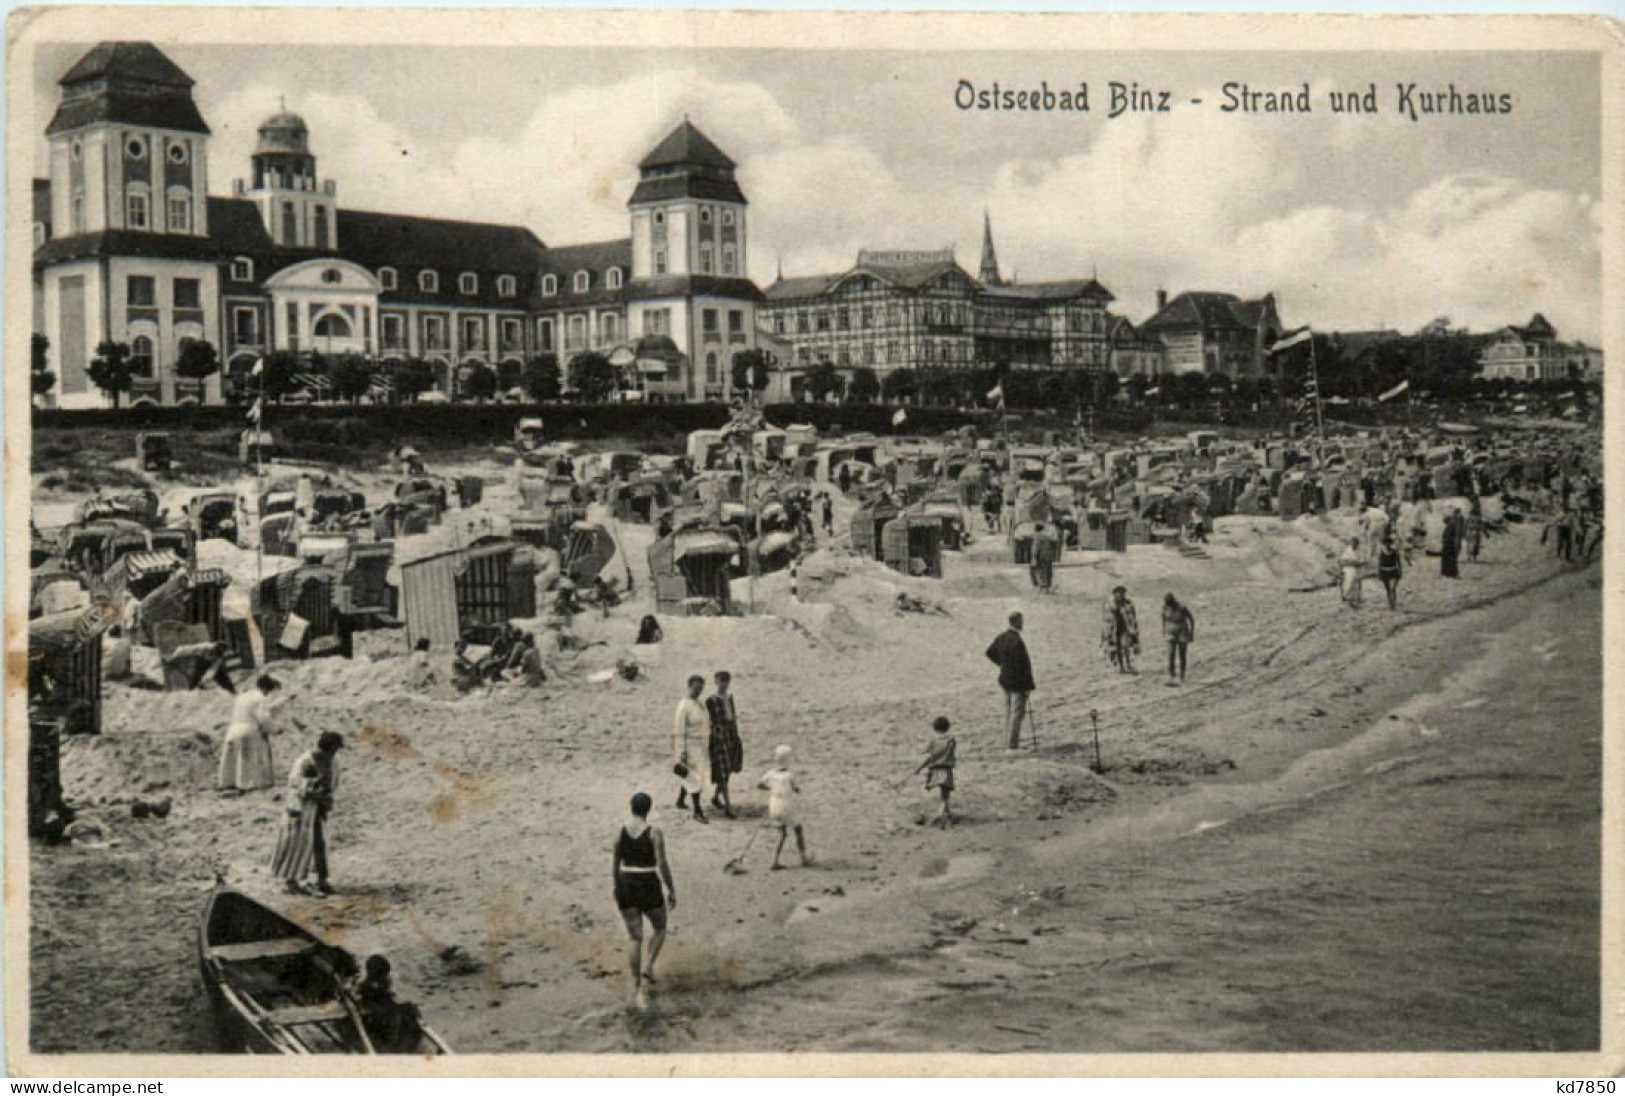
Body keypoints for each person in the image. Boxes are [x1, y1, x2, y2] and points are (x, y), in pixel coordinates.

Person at [612, 792, 676, 1010]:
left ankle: (635, 984)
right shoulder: (654, 833)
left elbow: (614, 863)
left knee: (634, 937)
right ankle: (648, 967)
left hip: (625, 882)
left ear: (631, 807)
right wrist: (671, 888)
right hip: (647, 882)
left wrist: (617, 887)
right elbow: (662, 863)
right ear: (648, 809)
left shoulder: (620, 831)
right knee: (659, 927)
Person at [270, 731, 344, 896]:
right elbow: (293, 782)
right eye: (334, 748)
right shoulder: (305, 760)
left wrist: (325, 798)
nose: (335, 752)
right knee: (297, 844)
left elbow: (334, 782)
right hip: (302, 809)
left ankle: (321, 880)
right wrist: (311, 787)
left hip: (319, 809)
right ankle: (292, 881)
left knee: (319, 844)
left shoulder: (334, 761)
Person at [218, 674, 279, 794]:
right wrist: (274, 730)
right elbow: (263, 718)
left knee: (233, 759)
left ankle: (228, 783)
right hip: (248, 730)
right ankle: (247, 784)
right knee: (250, 758)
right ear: (266, 688)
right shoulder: (261, 698)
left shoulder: (242, 696)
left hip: (233, 729)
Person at [985, 612, 1035, 750]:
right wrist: (1028, 686)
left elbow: (990, 652)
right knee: (1016, 714)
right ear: (1016, 622)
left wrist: (1003, 664)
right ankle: (1012, 745)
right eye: (1021, 621)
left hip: (1005, 679)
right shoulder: (1017, 641)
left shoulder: (1001, 637)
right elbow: (1023, 666)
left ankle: (1007, 743)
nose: (1022, 623)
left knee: (1008, 712)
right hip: (1017, 682)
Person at [353, 955, 423, 1053]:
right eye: (384, 974)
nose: (386, 977)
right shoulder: (373, 987)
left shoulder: (369, 984)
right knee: (407, 1012)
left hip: (378, 1012)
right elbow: (386, 1003)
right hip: (379, 1017)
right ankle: (399, 1044)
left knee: (407, 1010)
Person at [758, 745, 809, 870]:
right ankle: (803, 858)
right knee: (798, 829)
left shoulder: (770, 774)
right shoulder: (789, 775)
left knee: (782, 834)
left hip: (774, 805)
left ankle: (775, 860)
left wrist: (772, 789)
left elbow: (760, 785)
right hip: (786, 806)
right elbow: (796, 788)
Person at [705, 671, 744, 820]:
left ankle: (715, 797)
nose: (724, 684)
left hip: (731, 736)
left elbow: (732, 718)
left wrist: (736, 735)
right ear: (716, 682)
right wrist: (716, 734)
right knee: (723, 771)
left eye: (726, 681)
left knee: (727, 771)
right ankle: (728, 807)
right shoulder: (711, 700)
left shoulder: (729, 698)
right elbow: (708, 721)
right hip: (718, 737)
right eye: (721, 681)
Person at [672, 676, 710, 824]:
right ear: (689, 686)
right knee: (695, 778)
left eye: (701, 688)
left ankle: (680, 800)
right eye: (696, 688)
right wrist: (681, 753)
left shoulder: (699, 704)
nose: (698, 691)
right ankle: (697, 810)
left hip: (701, 746)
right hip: (690, 747)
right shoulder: (683, 706)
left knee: (689, 775)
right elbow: (679, 732)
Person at [913, 716, 957, 828]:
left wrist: (919, 768)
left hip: (934, 770)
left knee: (943, 794)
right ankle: (940, 815)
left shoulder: (933, 741)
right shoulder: (951, 740)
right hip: (946, 770)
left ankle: (948, 813)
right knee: (945, 795)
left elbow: (929, 756)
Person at [1102, 587, 1140, 674]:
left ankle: (1128, 664)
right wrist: (1106, 632)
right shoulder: (1109, 604)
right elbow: (1106, 619)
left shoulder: (1128, 604)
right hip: (1113, 630)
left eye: (1122, 594)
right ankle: (1121, 667)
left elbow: (1133, 617)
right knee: (1117, 648)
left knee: (1125, 646)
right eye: (1118, 594)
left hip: (1125, 628)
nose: (1120, 595)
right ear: (1114, 594)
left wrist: (1134, 630)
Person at [1161, 593, 1195, 684]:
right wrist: (1164, 630)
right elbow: (1163, 619)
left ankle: (1182, 675)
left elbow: (1191, 619)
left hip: (1182, 631)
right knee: (1171, 654)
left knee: (1182, 654)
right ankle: (1171, 675)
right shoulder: (1165, 608)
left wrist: (1191, 632)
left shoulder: (1182, 607)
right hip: (1170, 632)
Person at [1377, 533, 1403, 611]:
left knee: (1393, 588)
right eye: (1385, 543)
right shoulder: (1381, 553)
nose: (1387, 545)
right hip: (1384, 571)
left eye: (1388, 543)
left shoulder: (1395, 552)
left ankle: (1394, 603)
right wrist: (1379, 572)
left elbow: (1399, 562)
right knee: (1388, 589)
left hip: (1393, 571)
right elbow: (1379, 564)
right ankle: (1390, 604)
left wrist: (1400, 571)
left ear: (1390, 544)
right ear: (1384, 544)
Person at [1339, 537, 1365, 609]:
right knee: (1348, 585)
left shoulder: (1358, 551)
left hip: (1356, 570)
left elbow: (1361, 560)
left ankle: (1355, 601)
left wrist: (1359, 563)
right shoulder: (1347, 551)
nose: (1355, 545)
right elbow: (1343, 561)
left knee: (1357, 585)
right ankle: (1346, 599)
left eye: (1356, 544)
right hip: (1348, 570)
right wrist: (1353, 562)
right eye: (1353, 543)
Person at [1029, 523, 1056, 593]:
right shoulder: (1046, 537)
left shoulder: (1037, 536)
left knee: (1040, 571)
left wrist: (1033, 557)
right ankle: (1048, 587)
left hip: (1040, 556)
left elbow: (1035, 548)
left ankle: (1043, 587)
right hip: (1048, 556)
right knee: (1048, 571)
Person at [1440, 508, 1461, 579]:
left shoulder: (1450, 527)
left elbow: (1450, 536)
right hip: (1448, 545)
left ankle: (1450, 573)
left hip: (1449, 545)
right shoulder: (1450, 526)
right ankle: (1449, 573)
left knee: (1449, 560)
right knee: (1449, 560)